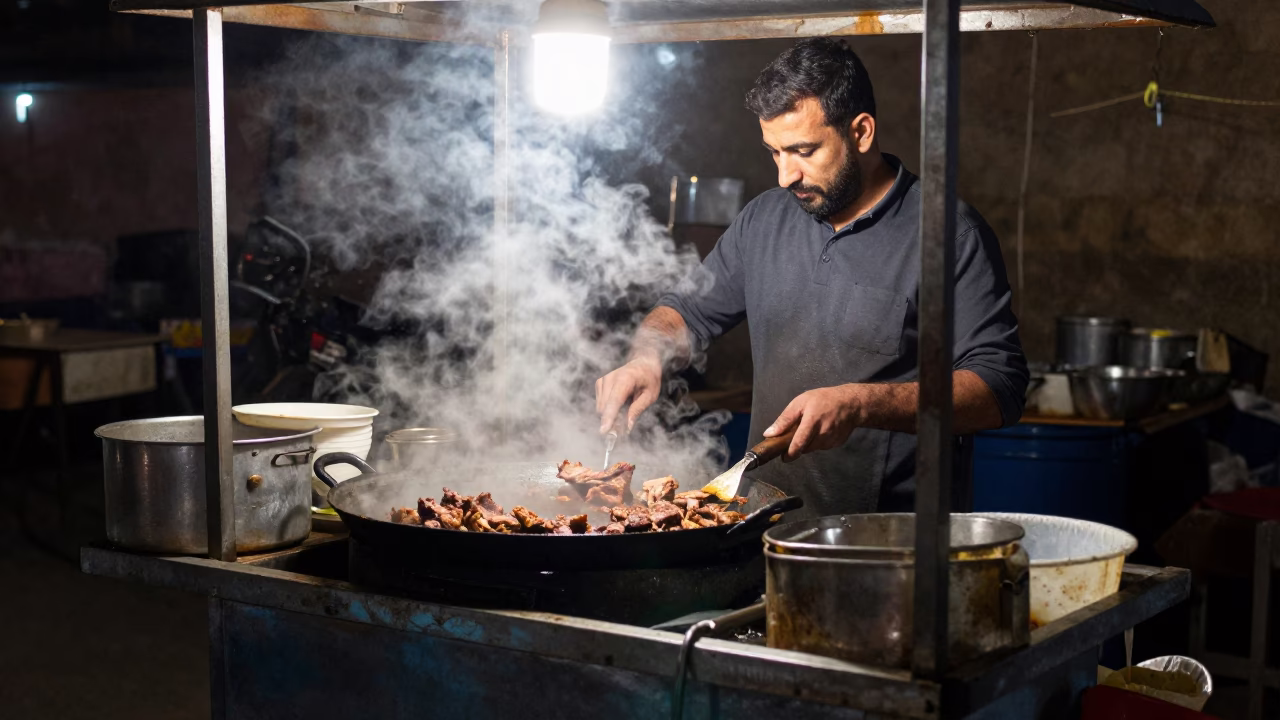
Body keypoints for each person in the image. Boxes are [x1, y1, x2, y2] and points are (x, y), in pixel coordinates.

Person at [595, 37, 1028, 515]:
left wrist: (861, 403)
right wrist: (645, 359)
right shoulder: (763, 220)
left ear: (861, 132)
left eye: (802, 150)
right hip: (766, 530)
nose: (785, 176)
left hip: (891, 544)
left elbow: (998, 388)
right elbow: (685, 312)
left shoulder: (950, 234)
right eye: (774, 152)